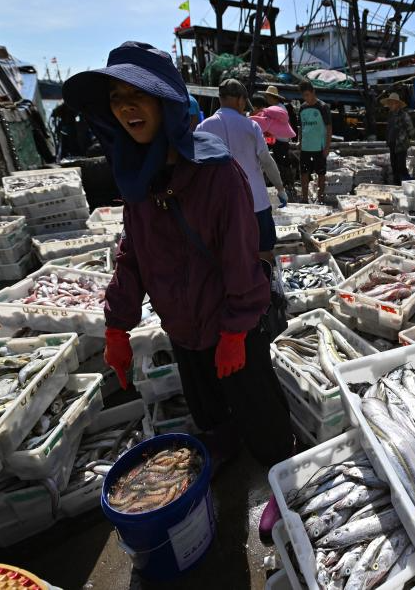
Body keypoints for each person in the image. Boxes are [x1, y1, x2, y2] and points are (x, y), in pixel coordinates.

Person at [61, 42, 292, 539]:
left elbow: (240, 258)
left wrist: (236, 331)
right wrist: (117, 325)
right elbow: (133, 254)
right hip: (183, 325)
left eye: (137, 96)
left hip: (231, 325)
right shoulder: (137, 175)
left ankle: (282, 481)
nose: (125, 108)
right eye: (116, 98)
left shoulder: (218, 174)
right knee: (206, 404)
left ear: (165, 103)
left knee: (260, 409)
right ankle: (222, 445)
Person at [198, 79, 288, 263]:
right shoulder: (251, 126)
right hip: (256, 202)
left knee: (229, 256)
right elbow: (267, 161)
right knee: (263, 252)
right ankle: (264, 281)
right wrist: (280, 188)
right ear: (240, 100)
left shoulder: (203, 128)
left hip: (222, 207)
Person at [259, 85, 298, 198]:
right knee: (278, 162)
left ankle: (289, 187)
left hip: (281, 140)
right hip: (275, 139)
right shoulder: (275, 108)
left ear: (273, 97)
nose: (267, 99)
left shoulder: (280, 108)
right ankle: (285, 186)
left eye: (268, 97)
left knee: (283, 164)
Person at [297, 80, 332, 203]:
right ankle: (304, 198)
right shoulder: (302, 108)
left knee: (321, 174)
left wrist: (327, 147)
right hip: (305, 147)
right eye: (303, 95)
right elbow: (301, 127)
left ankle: (320, 198)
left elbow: (329, 128)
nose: (306, 98)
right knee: (304, 173)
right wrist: (300, 141)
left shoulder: (322, 107)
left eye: (307, 94)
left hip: (319, 147)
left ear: (313, 92)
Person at [382, 91, 413, 185]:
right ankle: (397, 184)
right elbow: (389, 128)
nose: (390, 105)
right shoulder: (390, 115)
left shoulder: (404, 115)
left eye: (392, 103)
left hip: (401, 144)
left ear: (397, 104)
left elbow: (411, 129)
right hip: (392, 143)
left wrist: (405, 138)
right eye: (389, 103)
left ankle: (407, 184)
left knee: (401, 166)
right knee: (394, 166)